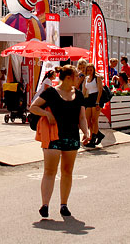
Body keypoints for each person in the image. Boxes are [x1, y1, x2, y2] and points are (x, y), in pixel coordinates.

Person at [28, 65, 89, 218]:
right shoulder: (51, 92)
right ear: (69, 77)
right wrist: (46, 114)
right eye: (77, 75)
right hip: (53, 135)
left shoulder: (79, 94)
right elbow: (33, 107)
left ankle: (64, 205)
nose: (79, 78)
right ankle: (45, 204)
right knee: (50, 171)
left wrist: (86, 132)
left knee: (67, 171)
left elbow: (81, 117)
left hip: (72, 135)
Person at [82, 63, 105, 148]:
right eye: (88, 70)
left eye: (91, 70)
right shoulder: (86, 78)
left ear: (93, 70)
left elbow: (100, 90)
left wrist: (98, 101)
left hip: (96, 98)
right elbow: (84, 91)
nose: (89, 71)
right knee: (88, 120)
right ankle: (97, 134)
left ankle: (93, 139)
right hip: (89, 98)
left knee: (94, 119)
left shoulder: (97, 78)